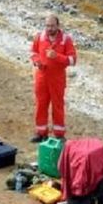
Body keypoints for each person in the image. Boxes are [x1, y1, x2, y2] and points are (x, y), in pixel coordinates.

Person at [30, 14, 77, 143]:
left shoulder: (66, 40)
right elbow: (33, 52)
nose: (49, 28)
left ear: (58, 26)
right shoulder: (39, 37)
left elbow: (73, 60)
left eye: (52, 26)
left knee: (58, 106)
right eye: (47, 26)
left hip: (57, 79)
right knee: (41, 105)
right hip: (41, 77)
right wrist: (37, 61)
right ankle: (41, 133)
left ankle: (59, 134)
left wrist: (57, 56)